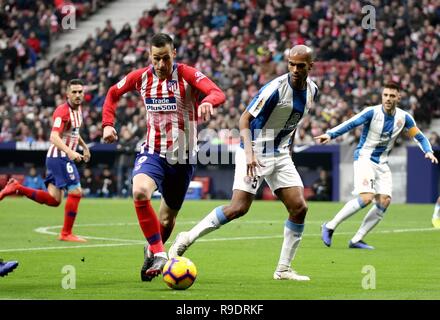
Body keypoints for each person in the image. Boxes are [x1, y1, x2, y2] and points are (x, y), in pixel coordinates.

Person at [169, 45, 319, 281]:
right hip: (255, 151)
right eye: (291, 64)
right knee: (238, 208)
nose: (295, 69)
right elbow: (244, 119)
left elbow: (291, 123)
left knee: (299, 208)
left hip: (279, 153)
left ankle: (283, 270)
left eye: (301, 65)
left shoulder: (312, 90)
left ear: (310, 66)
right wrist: (249, 154)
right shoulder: (275, 89)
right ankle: (186, 237)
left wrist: (287, 151)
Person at [101, 33, 225, 281]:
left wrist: (208, 101)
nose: (160, 65)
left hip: (183, 159)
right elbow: (113, 93)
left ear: (174, 54)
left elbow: (216, 92)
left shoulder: (187, 74)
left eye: (165, 58)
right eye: (156, 59)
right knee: (139, 192)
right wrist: (107, 124)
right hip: (153, 152)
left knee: (167, 220)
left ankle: (151, 250)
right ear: (150, 56)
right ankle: (159, 252)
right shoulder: (141, 77)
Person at [315, 82, 438, 249]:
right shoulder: (371, 112)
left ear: (398, 98)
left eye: (392, 96)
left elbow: (419, 136)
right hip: (364, 158)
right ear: (382, 96)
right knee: (366, 197)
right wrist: (330, 134)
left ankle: (357, 239)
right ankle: (329, 226)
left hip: (382, 163)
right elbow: (351, 123)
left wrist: (428, 150)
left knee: (384, 201)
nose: (388, 98)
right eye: (385, 95)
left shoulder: (404, 117)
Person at [0, 79, 91, 242]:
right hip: (60, 157)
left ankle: (17, 188)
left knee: (54, 200)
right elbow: (53, 136)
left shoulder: (78, 110)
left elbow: (74, 132)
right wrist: (70, 152)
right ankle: (66, 233)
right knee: (76, 191)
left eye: (80, 92)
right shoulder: (62, 112)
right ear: (67, 94)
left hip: (58, 158)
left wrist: (84, 146)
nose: (77, 95)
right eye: (74, 92)